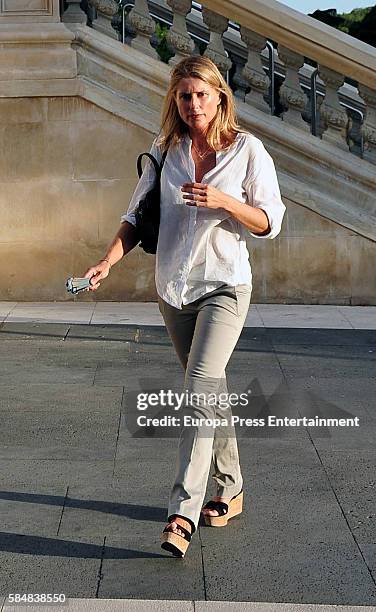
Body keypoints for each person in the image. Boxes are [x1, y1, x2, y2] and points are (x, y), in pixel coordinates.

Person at [83, 55, 286, 559]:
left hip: (225, 288)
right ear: (175, 101)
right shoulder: (164, 150)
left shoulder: (248, 150)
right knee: (209, 393)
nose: (193, 104)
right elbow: (136, 215)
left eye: (202, 94)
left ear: (220, 97)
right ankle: (232, 486)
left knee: (197, 390)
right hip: (174, 290)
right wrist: (107, 261)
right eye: (184, 96)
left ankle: (182, 512)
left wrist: (225, 203)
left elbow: (270, 221)